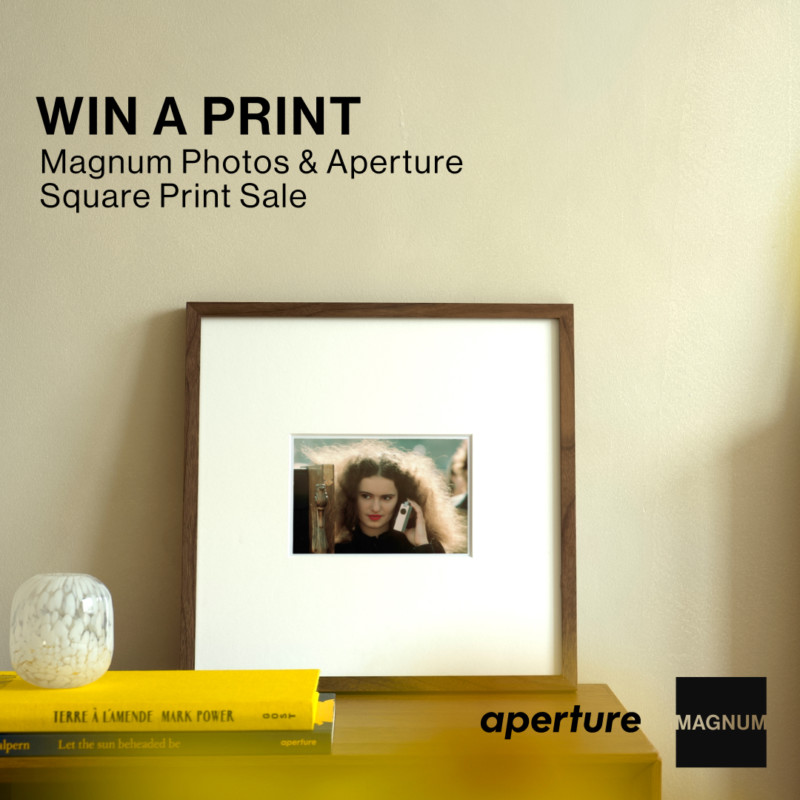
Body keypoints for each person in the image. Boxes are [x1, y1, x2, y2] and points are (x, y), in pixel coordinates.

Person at [304, 439, 467, 554]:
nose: (376, 507)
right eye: (366, 496)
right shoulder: (335, 550)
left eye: (386, 498)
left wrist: (422, 546)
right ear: (350, 497)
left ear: (403, 500)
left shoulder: (426, 547)